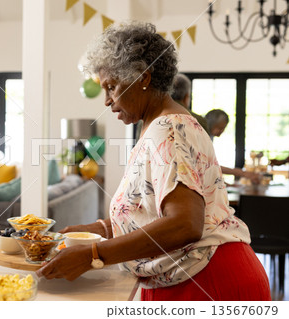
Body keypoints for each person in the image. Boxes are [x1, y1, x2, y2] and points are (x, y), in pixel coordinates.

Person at [36, 21, 271, 301]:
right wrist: (101, 229)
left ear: (143, 78)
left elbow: (185, 224)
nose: (107, 101)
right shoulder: (158, 124)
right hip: (194, 277)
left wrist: (93, 255)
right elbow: (155, 208)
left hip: (208, 282)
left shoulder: (167, 128)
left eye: (111, 87)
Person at [205, 109, 261, 184]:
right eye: (219, 128)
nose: (221, 132)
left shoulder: (210, 136)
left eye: (223, 128)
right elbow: (208, 165)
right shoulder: (203, 136)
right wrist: (241, 173)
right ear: (210, 124)